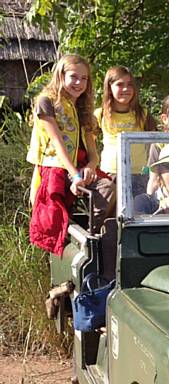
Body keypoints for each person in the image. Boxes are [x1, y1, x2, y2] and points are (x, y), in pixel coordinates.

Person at [26, 54, 107, 255]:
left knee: (109, 189)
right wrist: (75, 175)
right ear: (61, 76)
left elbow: (94, 154)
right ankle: (64, 259)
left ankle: (97, 241)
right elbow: (57, 142)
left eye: (84, 78)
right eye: (73, 77)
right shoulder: (46, 102)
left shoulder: (84, 110)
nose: (79, 83)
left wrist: (89, 167)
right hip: (55, 168)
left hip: (79, 167)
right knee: (52, 218)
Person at [94, 66, 157, 203]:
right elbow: (88, 144)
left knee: (138, 213)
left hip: (139, 174)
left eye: (129, 85)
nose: (125, 89)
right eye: (120, 85)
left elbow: (155, 143)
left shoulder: (143, 114)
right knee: (112, 215)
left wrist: (150, 169)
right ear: (109, 87)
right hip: (110, 173)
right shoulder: (100, 114)